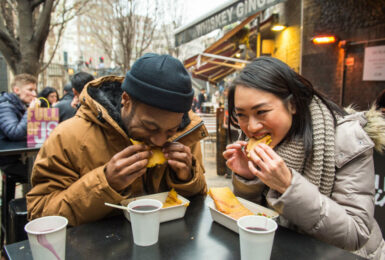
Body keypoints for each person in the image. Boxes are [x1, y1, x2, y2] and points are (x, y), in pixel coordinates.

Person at [223, 57, 385, 259]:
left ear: (292, 105)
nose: (252, 126)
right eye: (241, 115)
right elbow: (257, 219)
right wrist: (249, 179)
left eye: (261, 112)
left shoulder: (346, 139)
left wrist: (289, 186)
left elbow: (355, 233)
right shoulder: (263, 141)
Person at [27, 53, 208, 226]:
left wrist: (187, 178)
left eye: (170, 131)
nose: (160, 141)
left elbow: (200, 197)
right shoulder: (68, 137)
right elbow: (39, 213)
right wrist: (105, 182)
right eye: (150, 127)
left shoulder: (185, 135)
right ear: (126, 100)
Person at [0, 73, 39, 173]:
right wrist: (31, 112)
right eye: (30, 90)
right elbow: (15, 133)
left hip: (19, 157)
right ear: (16, 90)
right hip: (9, 161)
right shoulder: (5, 106)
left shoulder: (19, 105)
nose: (34, 94)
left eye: (35, 90)